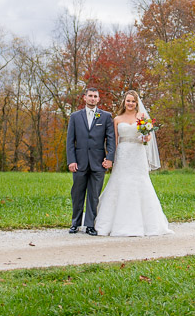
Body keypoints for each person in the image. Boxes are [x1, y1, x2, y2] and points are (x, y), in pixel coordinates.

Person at [94, 90, 173, 236]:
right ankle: (110, 223)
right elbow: (114, 141)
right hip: (123, 154)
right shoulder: (117, 119)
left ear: (137, 103)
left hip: (138, 154)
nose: (130, 103)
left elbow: (148, 136)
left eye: (133, 101)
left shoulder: (142, 117)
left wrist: (145, 138)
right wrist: (111, 158)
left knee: (141, 183)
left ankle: (147, 223)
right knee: (120, 183)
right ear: (124, 102)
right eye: (128, 100)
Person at [66, 87, 116, 235]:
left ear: (98, 99)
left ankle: (89, 225)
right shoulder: (75, 117)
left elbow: (111, 139)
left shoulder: (106, 116)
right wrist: (71, 160)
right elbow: (70, 141)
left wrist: (110, 158)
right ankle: (75, 223)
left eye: (95, 96)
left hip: (98, 162)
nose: (93, 98)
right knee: (77, 194)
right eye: (90, 96)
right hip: (79, 162)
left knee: (94, 195)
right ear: (84, 98)